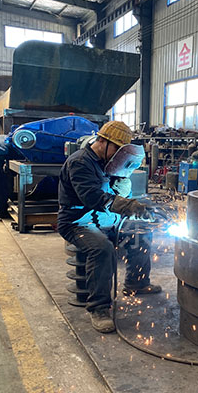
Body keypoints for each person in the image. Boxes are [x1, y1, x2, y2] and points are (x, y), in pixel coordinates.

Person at [58, 121, 161, 333]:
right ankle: (99, 308)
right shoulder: (80, 162)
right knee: (102, 248)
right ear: (103, 141)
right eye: (117, 150)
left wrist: (128, 195)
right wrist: (127, 206)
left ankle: (136, 283)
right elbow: (92, 197)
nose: (118, 157)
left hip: (107, 219)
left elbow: (120, 194)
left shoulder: (110, 163)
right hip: (77, 221)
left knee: (140, 232)